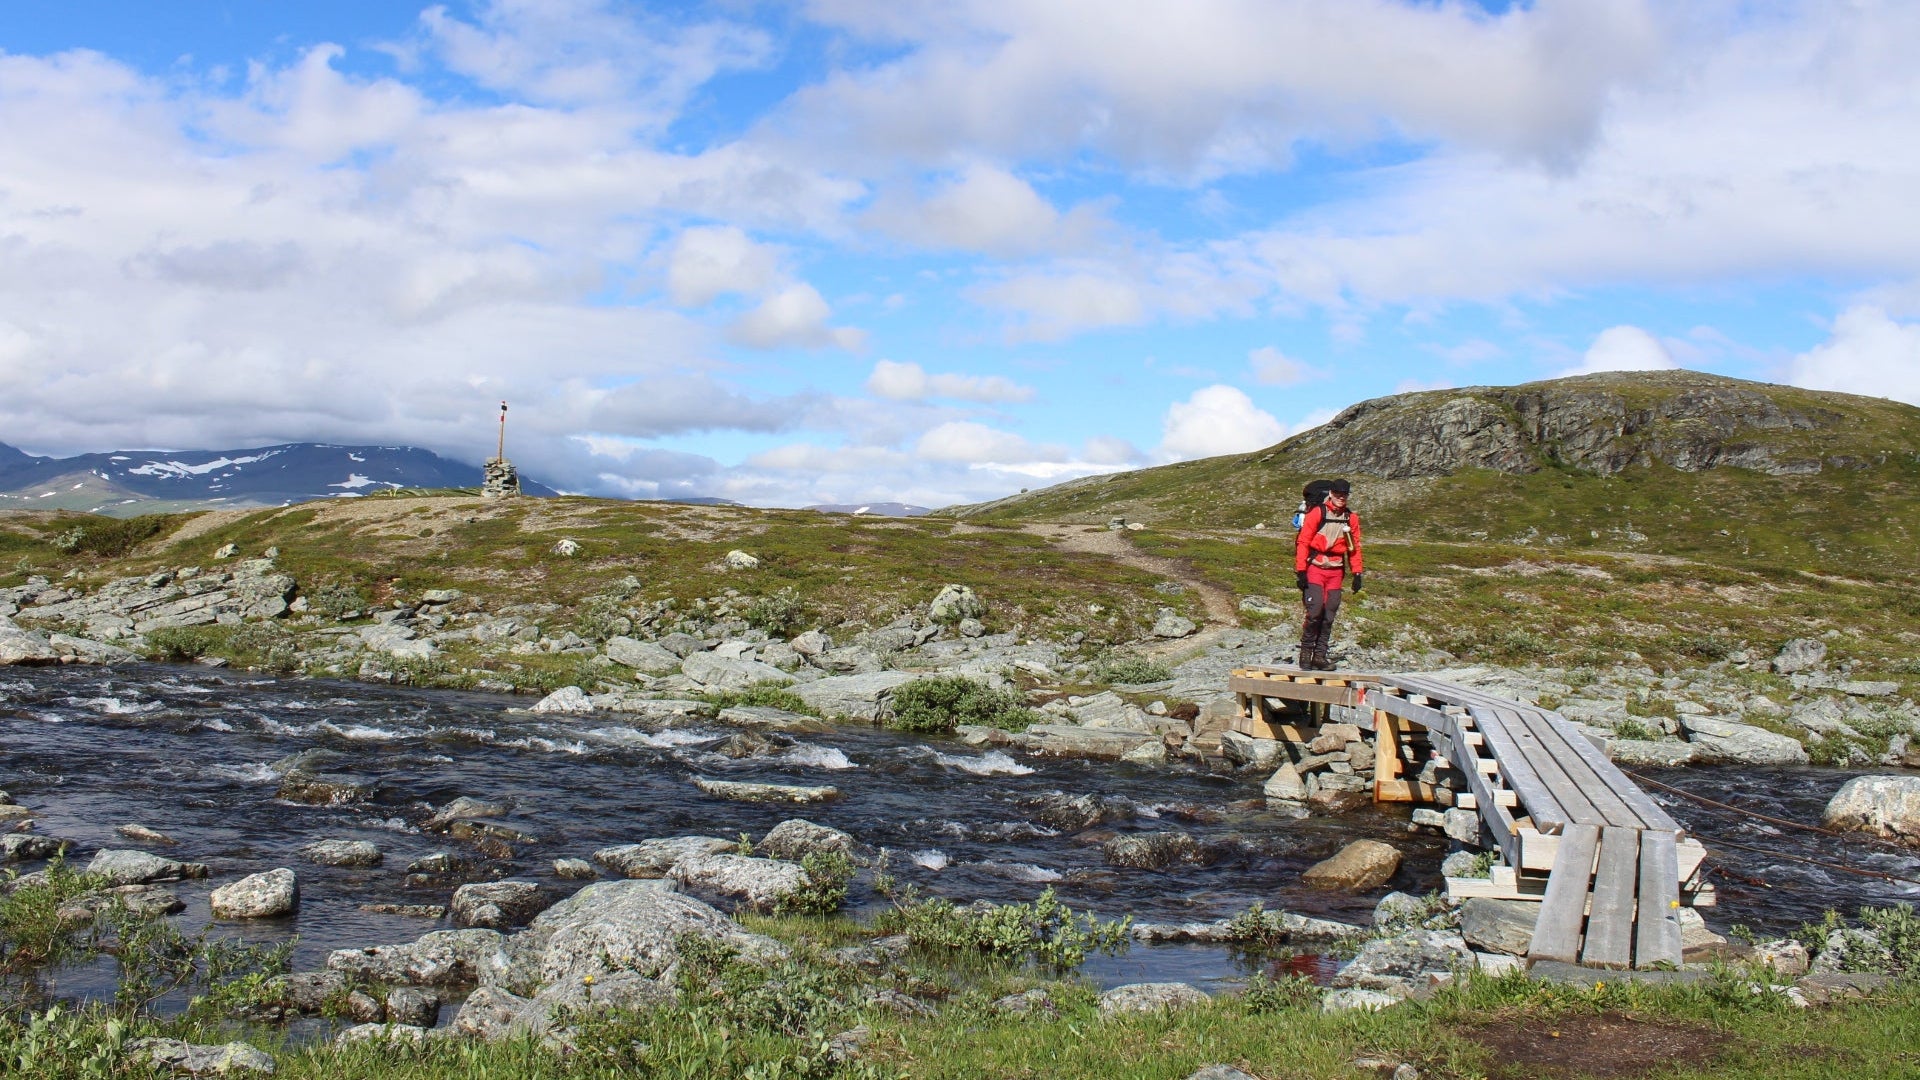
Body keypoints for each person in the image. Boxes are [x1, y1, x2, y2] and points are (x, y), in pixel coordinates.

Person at [1294, 478, 1363, 671]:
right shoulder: (1318, 512)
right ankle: (1306, 654)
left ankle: (1320, 656)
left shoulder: (1352, 518)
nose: (1341, 498)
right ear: (1331, 494)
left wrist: (1357, 573)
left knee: (1329, 613)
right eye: (1338, 494)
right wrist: (1301, 570)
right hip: (1315, 567)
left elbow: (1354, 547)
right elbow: (1303, 541)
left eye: (1345, 495)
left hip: (1336, 570)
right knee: (1315, 611)